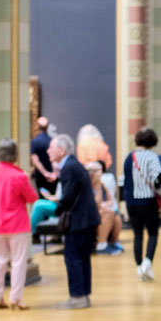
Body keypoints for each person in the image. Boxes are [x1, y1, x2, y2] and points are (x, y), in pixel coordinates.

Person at [0, 138, 37, 310]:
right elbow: (32, 198)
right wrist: (28, 180)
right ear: (14, 154)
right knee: (18, 262)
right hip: (17, 224)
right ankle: (15, 298)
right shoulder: (19, 176)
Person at [49, 132, 100, 308]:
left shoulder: (69, 167)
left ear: (62, 150)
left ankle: (77, 297)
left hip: (79, 220)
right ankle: (83, 295)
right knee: (82, 257)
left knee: (73, 257)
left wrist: (55, 210)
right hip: (86, 219)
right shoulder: (73, 165)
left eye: (51, 148)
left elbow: (68, 196)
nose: (48, 151)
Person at [123, 126, 161, 279]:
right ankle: (148, 261)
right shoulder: (151, 156)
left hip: (131, 201)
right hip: (147, 200)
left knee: (137, 234)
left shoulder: (129, 157)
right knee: (153, 232)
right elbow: (158, 176)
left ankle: (139, 266)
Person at [87, 162, 123, 253]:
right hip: (87, 214)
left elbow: (110, 200)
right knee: (108, 212)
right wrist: (102, 206)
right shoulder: (87, 184)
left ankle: (114, 242)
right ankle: (101, 245)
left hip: (99, 211)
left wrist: (105, 205)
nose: (101, 173)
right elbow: (95, 203)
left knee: (116, 215)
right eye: (99, 171)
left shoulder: (101, 184)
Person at [29, 116, 57, 196]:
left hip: (41, 176)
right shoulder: (51, 140)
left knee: (42, 198)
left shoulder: (35, 141)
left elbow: (36, 160)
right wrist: (53, 174)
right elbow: (55, 160)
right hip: (52, 176)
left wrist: (45, 173)